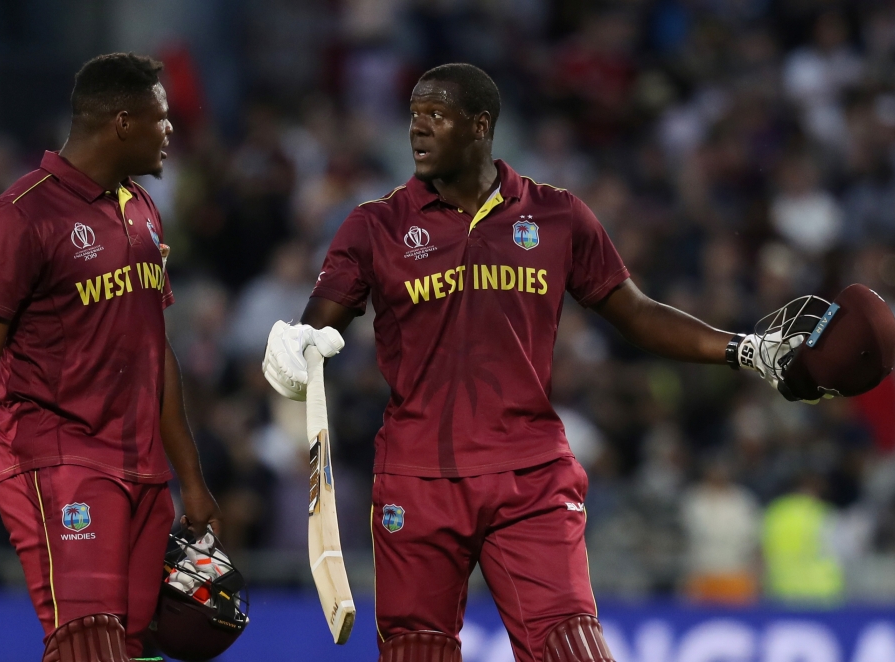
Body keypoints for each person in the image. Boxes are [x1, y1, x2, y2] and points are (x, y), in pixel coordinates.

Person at [262, 63, 791, 662]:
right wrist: (294, 348)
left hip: (530, 473)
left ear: (481, 125)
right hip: (417, 476)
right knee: (417, 652)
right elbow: (316, 324)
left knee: (572, 648)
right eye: (413, 116)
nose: (417, 130)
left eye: (435, 115)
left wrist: (744, 348)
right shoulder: (376, 225)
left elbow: (637, 314)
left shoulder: (557, 215)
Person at [0, 53, 220, 662]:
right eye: (161, 118)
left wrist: (190, 478)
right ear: (121, 122)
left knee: (136, 644)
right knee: (88, 641)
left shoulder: (142, 208)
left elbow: (154, 348)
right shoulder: (19, 217)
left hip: (141, 469)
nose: (172, 131)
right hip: (56, 459)